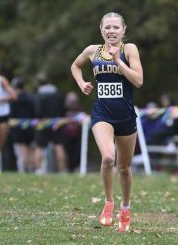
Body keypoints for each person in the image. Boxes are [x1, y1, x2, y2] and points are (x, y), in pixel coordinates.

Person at [71, 12, 143, 232]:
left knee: (124, 168)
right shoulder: (92, 51)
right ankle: (109, 202)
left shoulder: (129, 50)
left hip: (126, 115)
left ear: (124, 30)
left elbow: (138, 81)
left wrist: (116, 61)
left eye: (116, 28)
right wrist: (82, 82)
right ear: (101, 30)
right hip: (102, 113)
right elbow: (75, 66)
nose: (111, 31)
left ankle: (126, 206)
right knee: (108, 158)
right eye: (107, 27)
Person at [33, 72, 66, 174]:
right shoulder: (57, 93)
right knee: (59, 145)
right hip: (56, 122)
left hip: (43, 122)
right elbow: (63, 108)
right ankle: (62, 170)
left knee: (39, 146)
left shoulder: (39, 94)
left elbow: (37, 110)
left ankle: (38, 169)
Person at [10, 77, 35, 173]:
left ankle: (23, 169)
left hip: (18, 128)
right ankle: (31, 168)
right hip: (29, 127)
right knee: (29, 149)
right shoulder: (29, 98)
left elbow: (11, 114)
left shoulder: (14, 100)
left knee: (22, 150)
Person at [61, 91, 83, 172]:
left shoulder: (80, 110)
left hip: (77, 135)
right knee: (68, 152)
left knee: (77, 152)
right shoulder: (64, 110)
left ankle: (76, 166)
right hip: (66, 135)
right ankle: (69, 168)